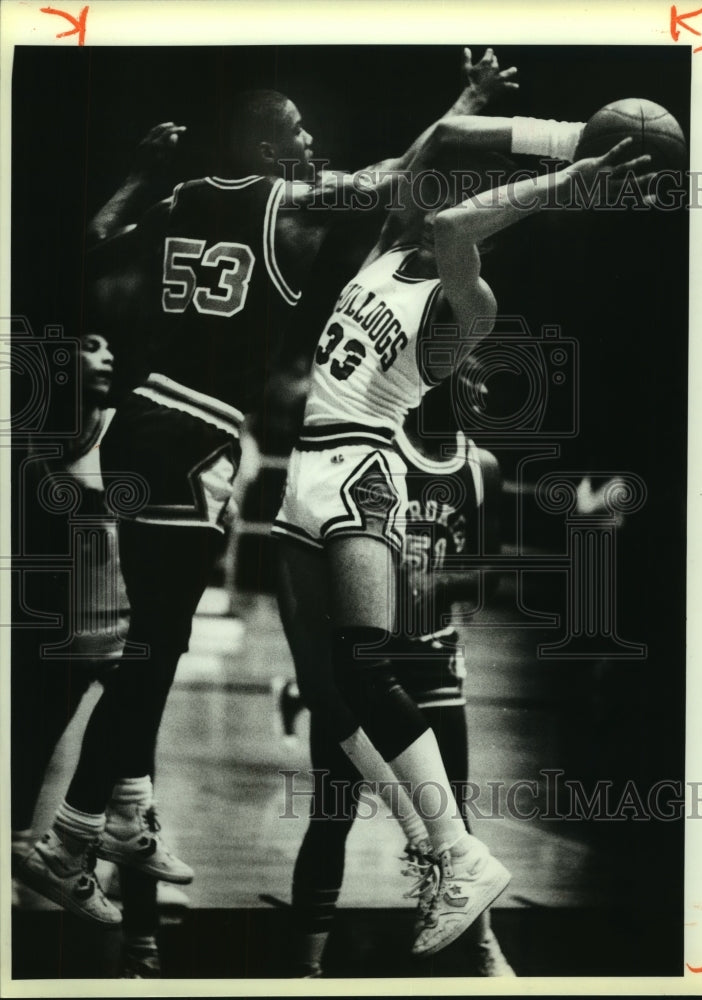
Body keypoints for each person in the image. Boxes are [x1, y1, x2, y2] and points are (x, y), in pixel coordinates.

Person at [16, 49, 522, 925]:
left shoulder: (184, 197)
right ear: (263, 141)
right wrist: (474, 102)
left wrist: (138, 176)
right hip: (193, 431)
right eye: (296, 130)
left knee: (156, 640)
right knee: (154, 648)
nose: (312, 139)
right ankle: (65, 837)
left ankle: (129, 807)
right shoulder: (291, 203)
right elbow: (406, 171)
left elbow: (93, 243)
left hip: (146, 416)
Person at [273, 110, 654, 956]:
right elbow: (435, 147)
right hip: (308, 465)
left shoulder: (467, 301)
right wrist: (542, 128)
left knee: (365, 668)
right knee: (334, 686)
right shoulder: (385, 248)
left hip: (358, 466)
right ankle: (438, 849)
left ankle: (455, 852)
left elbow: (450, 219)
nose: (430, 195)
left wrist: (566, 181)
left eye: (468, 202)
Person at [282, 360, 516, 976]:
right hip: (366, 660)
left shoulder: (481, 467)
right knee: (331, 815)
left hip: (434, 656)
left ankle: (484, 948)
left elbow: (486, 575)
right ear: (430, 378)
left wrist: (428, 577)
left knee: (453, 816)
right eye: (471, 376)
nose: (483, 388)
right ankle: (304, 969)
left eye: (486, 381)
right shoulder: (377, 453)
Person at [11, 330, 165, 976]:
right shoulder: (39, 432)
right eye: (91, 345)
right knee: (21, 769)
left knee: (138, 802)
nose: (107, 355)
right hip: (60, 635)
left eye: (111, 346)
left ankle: (143, 945)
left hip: (123, 632)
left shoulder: (126, 425)